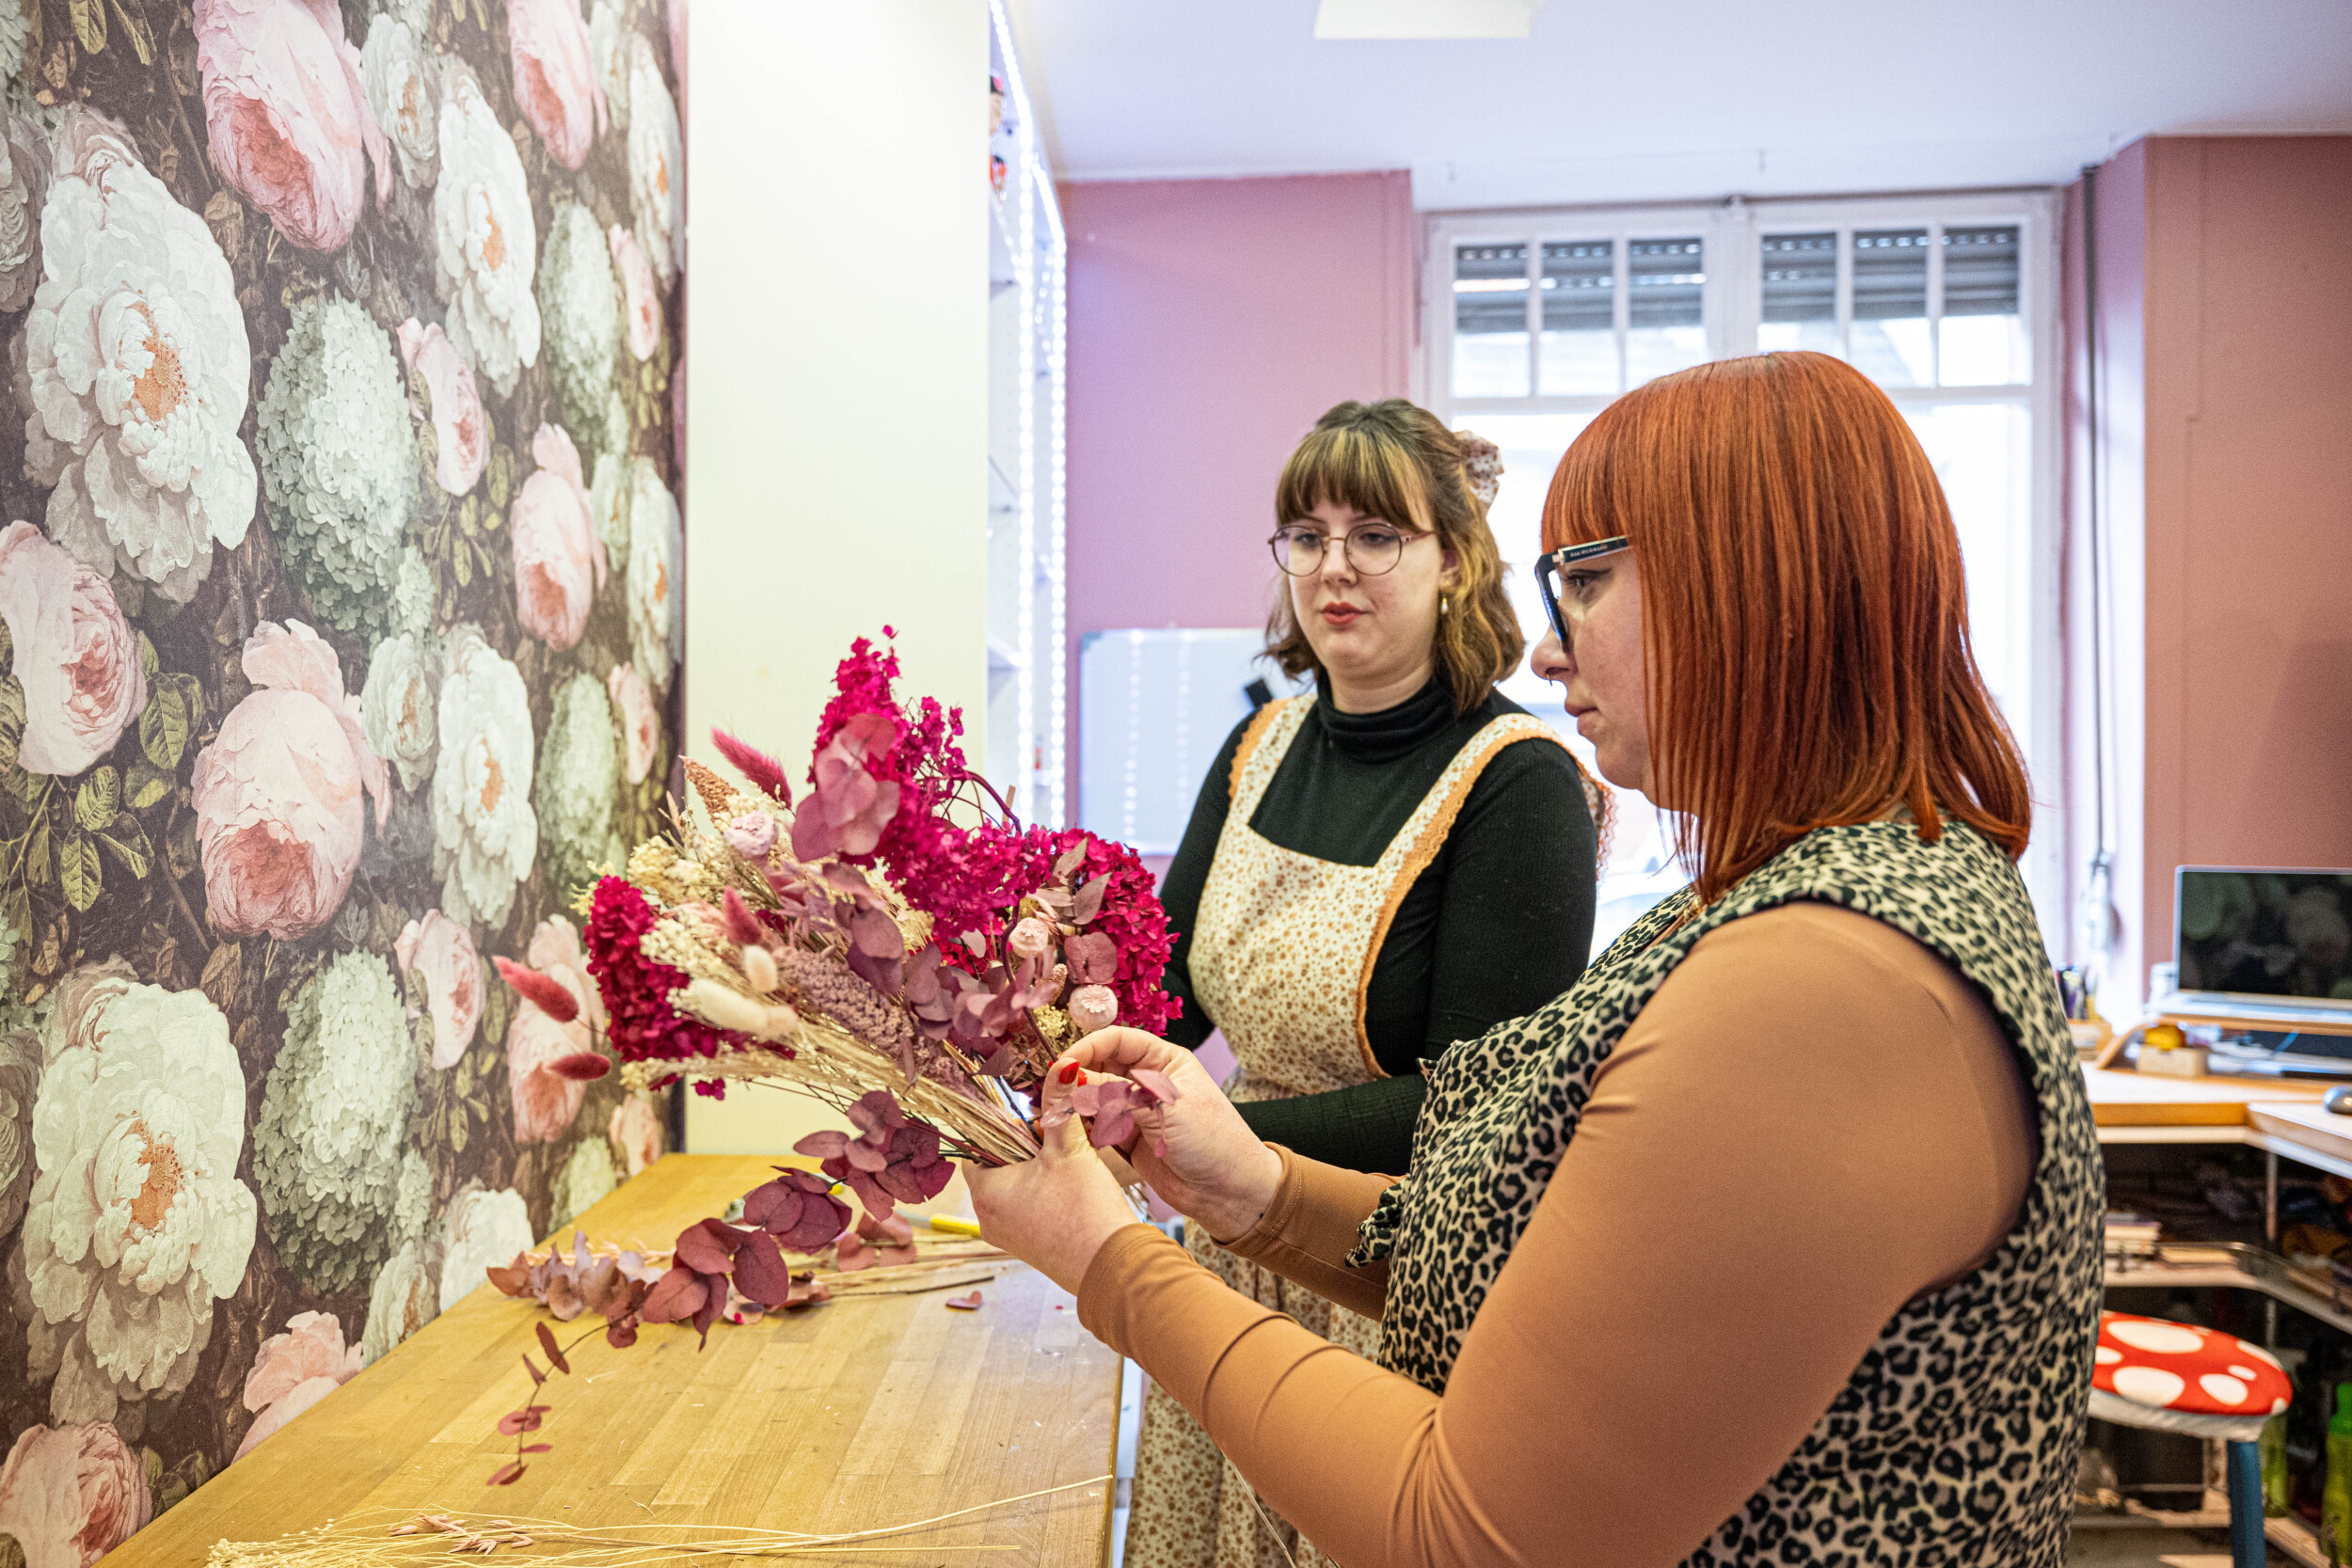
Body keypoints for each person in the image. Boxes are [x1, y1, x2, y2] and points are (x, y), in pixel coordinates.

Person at [971, 351, 2103, 1567]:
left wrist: (1113, 1260)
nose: (1552, 653)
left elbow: (1475, 1530)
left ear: (1754, 592)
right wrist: (1261, 1192)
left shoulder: (1832, 982)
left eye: (1591, 581)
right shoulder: (1806, 903)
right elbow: (1538, 1256)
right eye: (1305, 533)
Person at [1137, 398, 1604, 1567]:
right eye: (1306, 533)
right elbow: (1161, 995)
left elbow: (1474, 1105)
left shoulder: (1519, 783)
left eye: (1376, 534)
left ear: (1454, 559)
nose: (1334, 565)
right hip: (1227, 1251)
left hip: (1386, 1276)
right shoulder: (1257, 750)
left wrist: (1209, 1133)